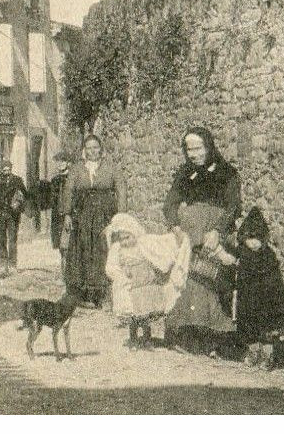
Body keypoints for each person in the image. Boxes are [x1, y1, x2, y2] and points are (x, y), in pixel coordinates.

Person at [162, 126, 242, 355]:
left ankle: (214, 337)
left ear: (208, 147)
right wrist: (176, 229)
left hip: (216, 235)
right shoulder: (184, 174)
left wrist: (217, 230)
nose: (194, 154)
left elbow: (233, 207)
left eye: (198, 149)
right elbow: (169, 206)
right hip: (190, 237)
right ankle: (186, 335)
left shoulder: (227, 173)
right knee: (188, 280)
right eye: (189, 150)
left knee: (213, 278)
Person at [104, 213, 189, 350]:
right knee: (133, 313)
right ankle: (133, 337)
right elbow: (114, 266)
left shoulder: (142, 246)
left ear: (134, 235)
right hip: (132, 285)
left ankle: (147, 337)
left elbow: (155, 254)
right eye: (122, 239)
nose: (125, 242)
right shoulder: (119, 251)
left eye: (128, 237)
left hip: (145, 282)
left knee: (146, 313)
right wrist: (123, 273)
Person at [223, 207, 284, 370]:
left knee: (267, 327)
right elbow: (230, 260)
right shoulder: (243, 254)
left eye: (257, 237)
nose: (253, 241)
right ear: (244, 237)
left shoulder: (268, 256)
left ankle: (268, 356)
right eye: (250, 237)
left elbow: (276, 285)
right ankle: (254, 353)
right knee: (248, 324)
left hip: (265, 300)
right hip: (248, 298)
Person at [62, 134, 123, 307]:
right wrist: (67, 214)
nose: (92, 151)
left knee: (102, 250)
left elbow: (121, 189)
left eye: (95, 147)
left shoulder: (111, 168)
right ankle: (85, 295)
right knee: (83, 251)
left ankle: (103, 294)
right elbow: (68, 191)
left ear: (101, 149)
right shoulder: (76, 169)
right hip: (82, 217)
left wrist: (121, 216)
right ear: (84, 151)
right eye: (89, 148)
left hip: (104, 216)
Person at [44, 152, 73, 253]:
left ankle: (68, 267)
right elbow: (51, 199)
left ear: (68, 163)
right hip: (56, 215)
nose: (60, 164)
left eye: (63, 161)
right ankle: (63, 267)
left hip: (69, 215)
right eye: (58, 162)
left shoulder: (72, 178)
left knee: (69, 244)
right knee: (60, 244)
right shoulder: (54, 180)